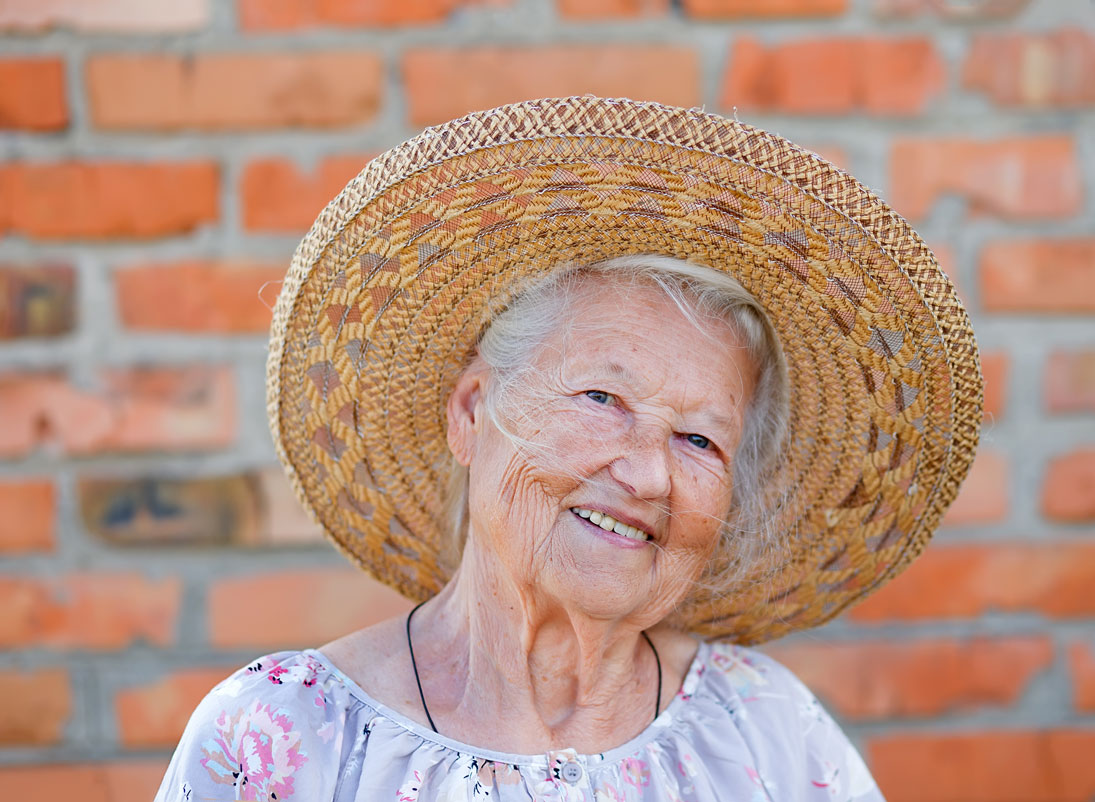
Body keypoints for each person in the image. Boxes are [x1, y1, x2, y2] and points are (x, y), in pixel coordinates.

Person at [154, 97, 982, 801]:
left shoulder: (768, 738)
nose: (649, 473)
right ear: (473, 411)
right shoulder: (275, 743)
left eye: (699, 440)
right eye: (602, 399)